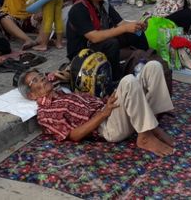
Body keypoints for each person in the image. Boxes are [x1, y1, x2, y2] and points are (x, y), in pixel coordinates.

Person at [18, 61, 175, 156]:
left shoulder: (62, 94)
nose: (43, 78)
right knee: (128, 81)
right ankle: (145, 136)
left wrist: (110, 100)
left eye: (41, 75)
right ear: (31, 95)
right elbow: (73, 135)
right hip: (107, 127)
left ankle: (151, 124)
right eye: (35, 80)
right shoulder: (46, 113)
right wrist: (103, 113)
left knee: (153, 67)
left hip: (109, 111)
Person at [66, 0, 149, 81]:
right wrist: (124, 28)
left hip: (100, 42)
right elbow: (94, 37)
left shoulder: (104, 4)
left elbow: (121, 23)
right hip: (83, 51)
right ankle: (115, 80)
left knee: (137, 33)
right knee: (111, 44)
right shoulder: (78, 9)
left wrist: (136, 25)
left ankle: (146, 62)